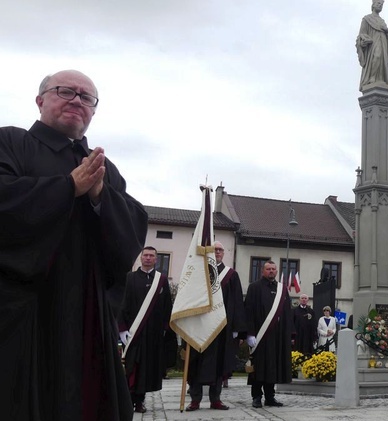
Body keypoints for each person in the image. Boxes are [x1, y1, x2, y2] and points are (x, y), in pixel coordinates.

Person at [0, 69, 147, 420]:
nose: (77, 100)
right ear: (41, 100)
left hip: (87, 314)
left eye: (87, 97)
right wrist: (67, 187)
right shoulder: (10, 142)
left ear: (93, 112)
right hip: (24, 311)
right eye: (66, 91)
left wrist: (100, 196)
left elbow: (129, 240)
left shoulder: (103, 169)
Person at [185, 241, 247, 411]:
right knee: (196, 364)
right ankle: (195, 400)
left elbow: (237, 303)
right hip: (199, 327)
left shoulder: (231, 275)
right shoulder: (199, 272)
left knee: (219, 364)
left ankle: (215, 400)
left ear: (223, 253)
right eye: (215, 249)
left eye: (220, 249)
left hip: (222, 329)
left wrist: (237, 330)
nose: (218, 252)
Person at [119, 246, 173, 413]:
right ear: (140, 258)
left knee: (145, 370)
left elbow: (166, 307)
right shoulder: (130, 277)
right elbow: (122, 305)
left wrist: (165, 329)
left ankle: (140, 401)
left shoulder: (162, 280)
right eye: (145, 255)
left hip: (153, 335)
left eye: (151, 256)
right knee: (132, 367)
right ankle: (127, 400)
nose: (148, 258)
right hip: (133, 334)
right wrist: (122, 329)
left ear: (156, 259)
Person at [244, 260, 292, 408]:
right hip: (260, 336)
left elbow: (288, 312)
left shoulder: (282, 289)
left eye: (273, 269)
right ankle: (257, 396)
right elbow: (248, 311)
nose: (271, 271)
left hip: (277, 336)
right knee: (259, 367)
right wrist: (249, 334)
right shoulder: (254, 288)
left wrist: (290, 334)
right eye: (268, 269)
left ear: (277, 272)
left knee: (272, 367)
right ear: (263, 271)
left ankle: (270, 397)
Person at [356, 0, 388, 91]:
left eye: (382, 4)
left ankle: (380, 78)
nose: (380, 6)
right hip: (373, 43)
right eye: (378, 3)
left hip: (383, 43)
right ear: (373, 5)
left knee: (381, 60)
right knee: (376, 56)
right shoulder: (366, 19)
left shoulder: (382, 21)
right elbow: (361, 34)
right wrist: (362, 42)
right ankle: (372, 78)